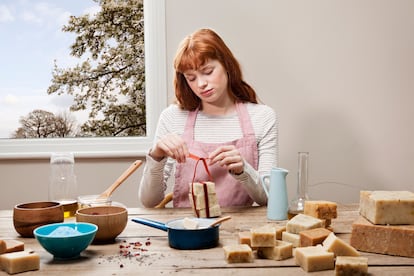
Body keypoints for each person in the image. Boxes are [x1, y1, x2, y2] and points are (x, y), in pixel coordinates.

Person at [139, 28, 278, 208]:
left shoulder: (262, 117)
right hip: (187, 230)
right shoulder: (172, 117)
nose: (201, 84)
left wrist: (244, 170)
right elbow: (149, 201)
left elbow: (269, 198)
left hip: (242, 229)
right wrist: (157, 155)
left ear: (227, 65)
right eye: (191, 78)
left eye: (208, 71)